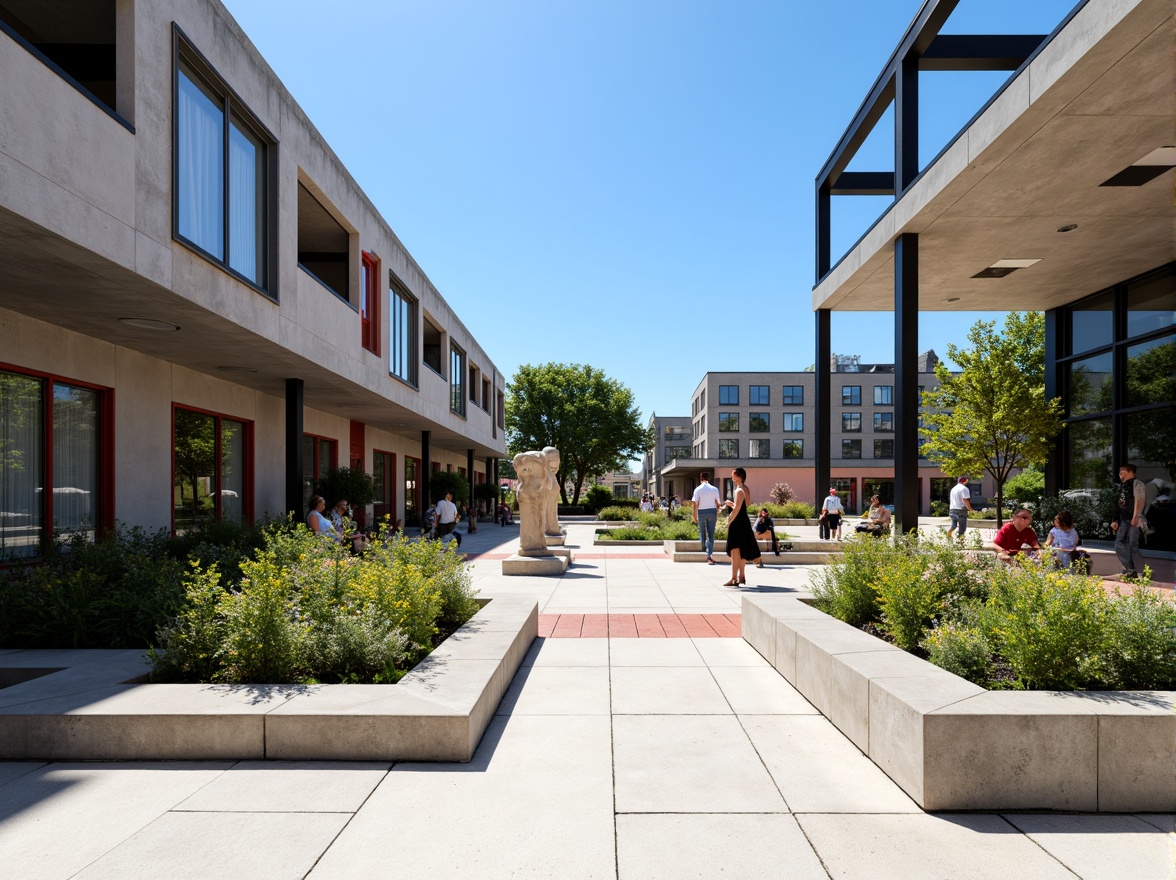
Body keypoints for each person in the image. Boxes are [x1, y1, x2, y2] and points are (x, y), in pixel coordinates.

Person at [720, 468, 760, 585]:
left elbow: (737, 509)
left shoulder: (738, 491)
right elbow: (744, 505)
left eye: (733, 475)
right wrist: (732, 504)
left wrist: (729, 520)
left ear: (739, 477)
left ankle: (733, 578)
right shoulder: (745, 489)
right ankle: (741, 576)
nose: (732, 477)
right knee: (742, 550)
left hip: (737, 523)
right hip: (744, 522)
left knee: (735, 551)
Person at [1111, 462, 1146, 579]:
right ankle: (1131, 570)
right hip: (1124, 520)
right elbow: (1119, 505)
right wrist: (1115, 520)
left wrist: (1135, 516)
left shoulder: (1137, 484)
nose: (1120, 475)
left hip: (1133, 519)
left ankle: (1140, 572)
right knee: (1120, 544)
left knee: (1133, 546)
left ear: (1131, 472)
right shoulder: (1123, 486)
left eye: (1122, 472)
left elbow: (1140, 500)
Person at [691, 473, 723, 564]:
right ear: (708, 478)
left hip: (701, 511)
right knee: (711, 534)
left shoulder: (698, 489)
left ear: (701, 479)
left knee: (702, 531)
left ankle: (704, 549)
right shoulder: (714, 489)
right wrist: (717, 511)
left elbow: (695, 503)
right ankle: (709, 555)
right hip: (712, 511)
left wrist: (694, 515)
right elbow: (718, 503)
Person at [944, 476, 973, 541]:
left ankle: (949, 532)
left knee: (954, 525)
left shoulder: (953, 489)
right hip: (961, 509)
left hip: (952, 509)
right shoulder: (964, 489)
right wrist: (970, 508)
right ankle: (960, 541)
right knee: (962, 527)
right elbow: (965, 500)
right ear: (965, 481)